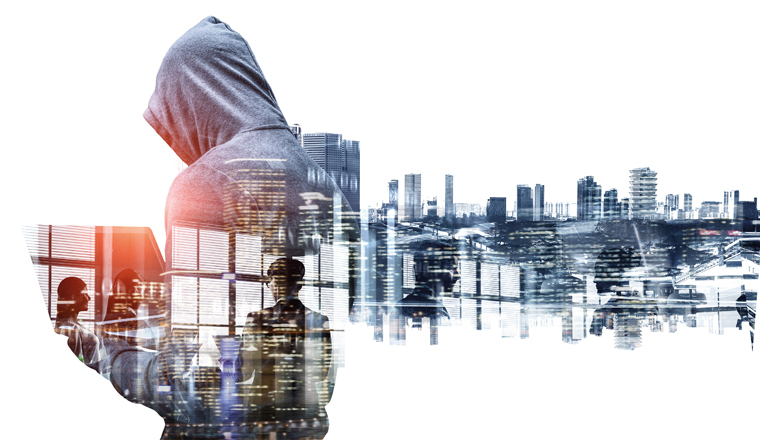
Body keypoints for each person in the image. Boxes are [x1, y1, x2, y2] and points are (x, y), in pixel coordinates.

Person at [239, 258, 334, 439]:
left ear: (274, 282)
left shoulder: (256, 319)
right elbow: (321, 372)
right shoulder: (319, 320)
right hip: (306, 412)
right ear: (300, 285)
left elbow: (244, 372)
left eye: (270, 281)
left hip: (266, 412)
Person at [395, 240, 460, 344]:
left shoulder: (400, 306)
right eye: (452, 269)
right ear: (429, 270)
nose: (458, 276)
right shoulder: (435, 311)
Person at [54, 277, 102, 368]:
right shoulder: (70, 329)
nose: (89, 298)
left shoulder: (75, 326)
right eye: (86, 294)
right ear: (73, 297)